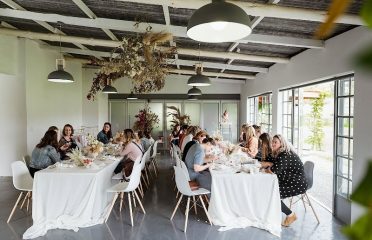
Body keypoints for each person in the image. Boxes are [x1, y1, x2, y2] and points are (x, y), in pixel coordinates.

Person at [261, 134, 308, 227]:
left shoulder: (285, 154)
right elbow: (266, 161)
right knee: (267, 190)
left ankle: (290, 215)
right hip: (289, 180)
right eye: (272, 142)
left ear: (281, 143)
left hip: (297, 184)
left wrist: (268, 166)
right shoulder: (278, 153)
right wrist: (268, 161)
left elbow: (273, 170)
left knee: (271, 193)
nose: (273, 144)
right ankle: (269, 213)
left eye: (275, 142)